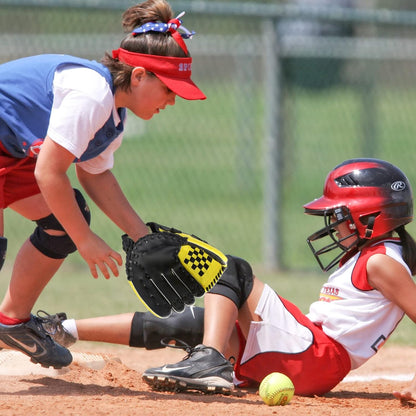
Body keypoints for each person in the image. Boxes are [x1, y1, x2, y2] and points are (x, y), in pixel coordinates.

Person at [41, 158, 416, 397]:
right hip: (309, 353)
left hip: (316, 355)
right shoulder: (370, 257)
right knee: (201, 323)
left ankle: (210, 360)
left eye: (339, 216)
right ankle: (60, 330)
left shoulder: (383, 262)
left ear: (370, 218)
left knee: (231, 269)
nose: (333, 225)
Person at [0, 0, 206, 370]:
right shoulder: (92, 94)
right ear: (139, 75)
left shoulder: (113, 117)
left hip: (9, 152)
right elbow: (49, 174)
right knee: (69, 227)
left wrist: (143, 238)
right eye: (169, 89)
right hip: (9, 149)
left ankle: (11, 322)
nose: (172, 101)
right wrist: (85, 241)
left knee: (65, 219)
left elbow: (94, 175)